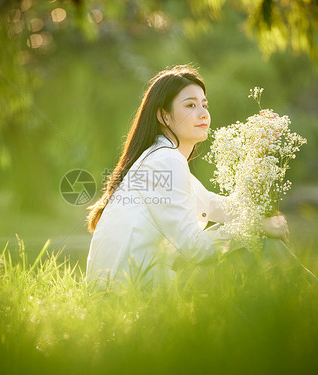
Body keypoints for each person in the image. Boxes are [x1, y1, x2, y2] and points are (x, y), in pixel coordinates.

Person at [85, 64, 289, 290]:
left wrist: (258, 149)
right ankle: (309, 305)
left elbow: (232, 209)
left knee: (259, 239)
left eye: (204, 105)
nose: (203, 113)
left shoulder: (162, 159)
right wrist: (257, 228)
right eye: (191, 105)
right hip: (127, 301)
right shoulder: (166, 161)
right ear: (164, 116)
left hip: (125, 293)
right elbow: (194, 248)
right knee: (261, 242)